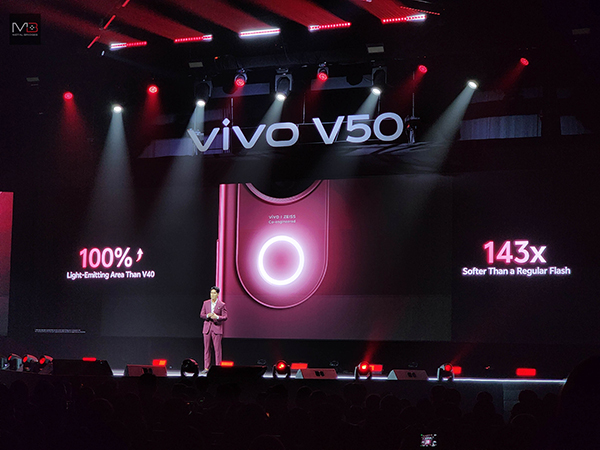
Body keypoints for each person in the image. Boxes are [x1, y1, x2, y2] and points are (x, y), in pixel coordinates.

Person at [199, 286, 227, 374]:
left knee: (217, 350)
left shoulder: (222, 304)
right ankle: (206, 368)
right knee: (207, 349)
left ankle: (218, 368)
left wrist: (217, 317)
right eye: (211, 293)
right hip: (207, 329)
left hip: (217, 328)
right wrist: (208, 315)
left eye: (214, 293)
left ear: (217, 294)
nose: (212, 295)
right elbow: (201, 314)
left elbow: (225, 317)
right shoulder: (206, 303)